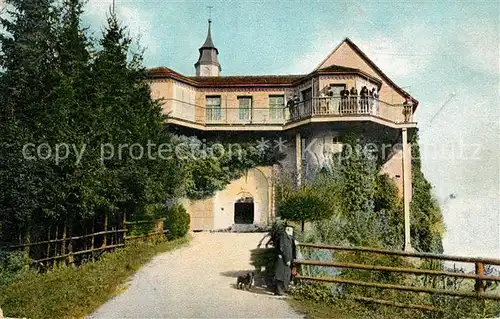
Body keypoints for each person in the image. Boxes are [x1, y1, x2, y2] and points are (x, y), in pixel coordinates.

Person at [273, 224, 295, 295]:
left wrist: (295, 242)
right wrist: (287, 259)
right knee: (280, 275)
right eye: (291, 229)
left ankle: (280, 290)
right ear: (287, 229)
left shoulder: (287, 236)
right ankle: (279, 291)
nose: (292, 231)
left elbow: (290, 242)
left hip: (284, 259)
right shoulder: (283, 236)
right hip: (283, 259)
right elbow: (282, 248)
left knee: (283, 274)